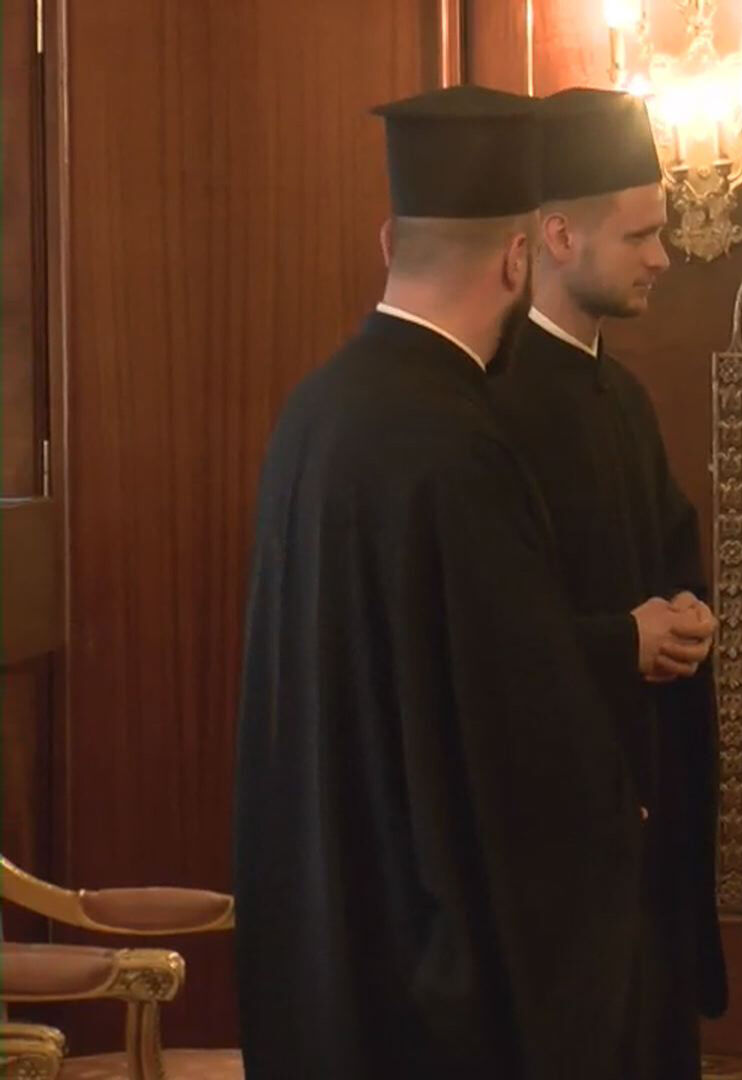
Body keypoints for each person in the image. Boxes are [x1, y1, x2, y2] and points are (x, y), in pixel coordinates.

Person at [233, 85, 652, 1079]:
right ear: (518, 259)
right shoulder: (458, 445)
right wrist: (612, 812)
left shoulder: (314, 412)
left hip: (326, 909)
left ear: (391, 241)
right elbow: (514, 710)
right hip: (424, 957)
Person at [488, 86, 726, 1078]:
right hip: (556, 827)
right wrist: (623, 641)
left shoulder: (621, 394)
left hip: (649, 794)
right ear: (557, 236)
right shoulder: (491, 402)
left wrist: (690, 618)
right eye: (640, 235)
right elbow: (492, 631)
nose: (662, 256)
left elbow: (666, 550)